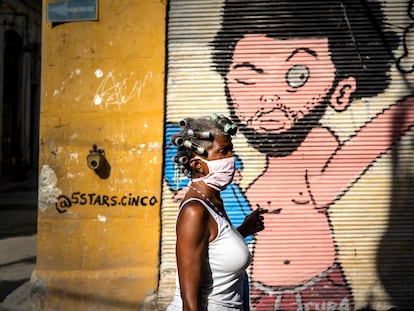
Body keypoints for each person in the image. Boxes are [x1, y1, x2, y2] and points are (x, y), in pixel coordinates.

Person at [211, 0, 414, 310]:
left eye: (298, 75)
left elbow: (357, 153)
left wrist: (406, 110)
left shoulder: (318, 147)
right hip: (260, 290)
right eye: (248, 77)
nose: (268, 97)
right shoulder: (250, 168)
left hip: (315, 294)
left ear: (341, 90)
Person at [167, 114, 268, 311]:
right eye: (223, 152)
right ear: (197, 165)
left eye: (231, 150)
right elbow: (190, 301)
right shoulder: (194, 211)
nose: (232, 159)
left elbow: (214, 252)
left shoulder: (213, 200)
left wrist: (244, 230)